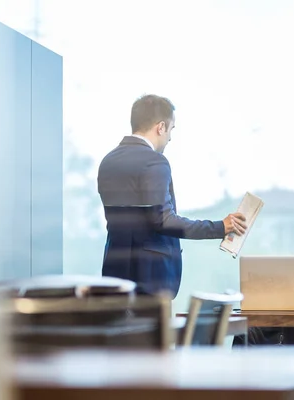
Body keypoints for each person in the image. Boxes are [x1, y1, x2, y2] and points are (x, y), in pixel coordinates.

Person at [97, 94, 247, 298]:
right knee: (153, 331)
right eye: (171, 129)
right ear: (161, 127)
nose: (170, 138)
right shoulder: (155, 161)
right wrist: (220, 227)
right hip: (150, 279)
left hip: (115, 274)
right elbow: (163, 220)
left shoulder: (108, 161)